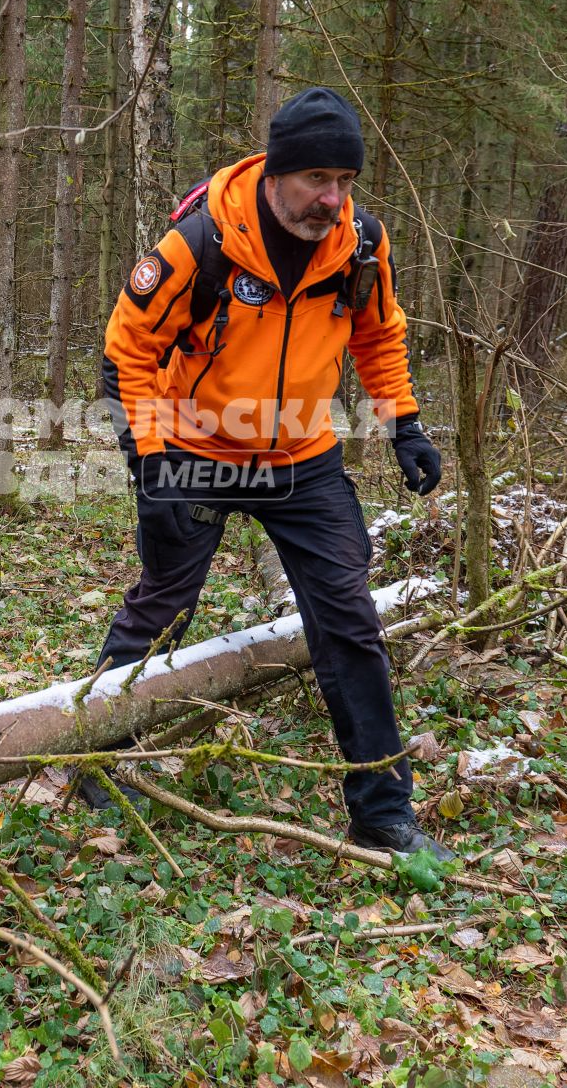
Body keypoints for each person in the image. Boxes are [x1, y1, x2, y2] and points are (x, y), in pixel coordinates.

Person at [96, 87, 452, 858]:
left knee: (349, 617)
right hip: (197, 451)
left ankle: (382, 807)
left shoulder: (359, 245)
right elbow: (127, 355)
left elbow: (378, 334)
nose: (333, 199)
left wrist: (406, 426)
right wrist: (152, 467)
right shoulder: (201, 244)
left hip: (301, 457)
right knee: (164, 601)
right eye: (317, 181)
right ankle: (99, 754)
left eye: (346, 183)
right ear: (276, 173)